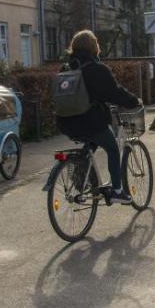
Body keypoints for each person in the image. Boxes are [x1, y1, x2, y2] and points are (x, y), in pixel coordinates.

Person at [56, 30, 140, 204]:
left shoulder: (65, 68)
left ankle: (81, 178)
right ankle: (117, 190)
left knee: (91, 143)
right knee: (112, 148)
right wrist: (134, 101)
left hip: (66, 123)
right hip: (90, 122)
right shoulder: (97, 69)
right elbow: (114, 92)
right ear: (94, 47)